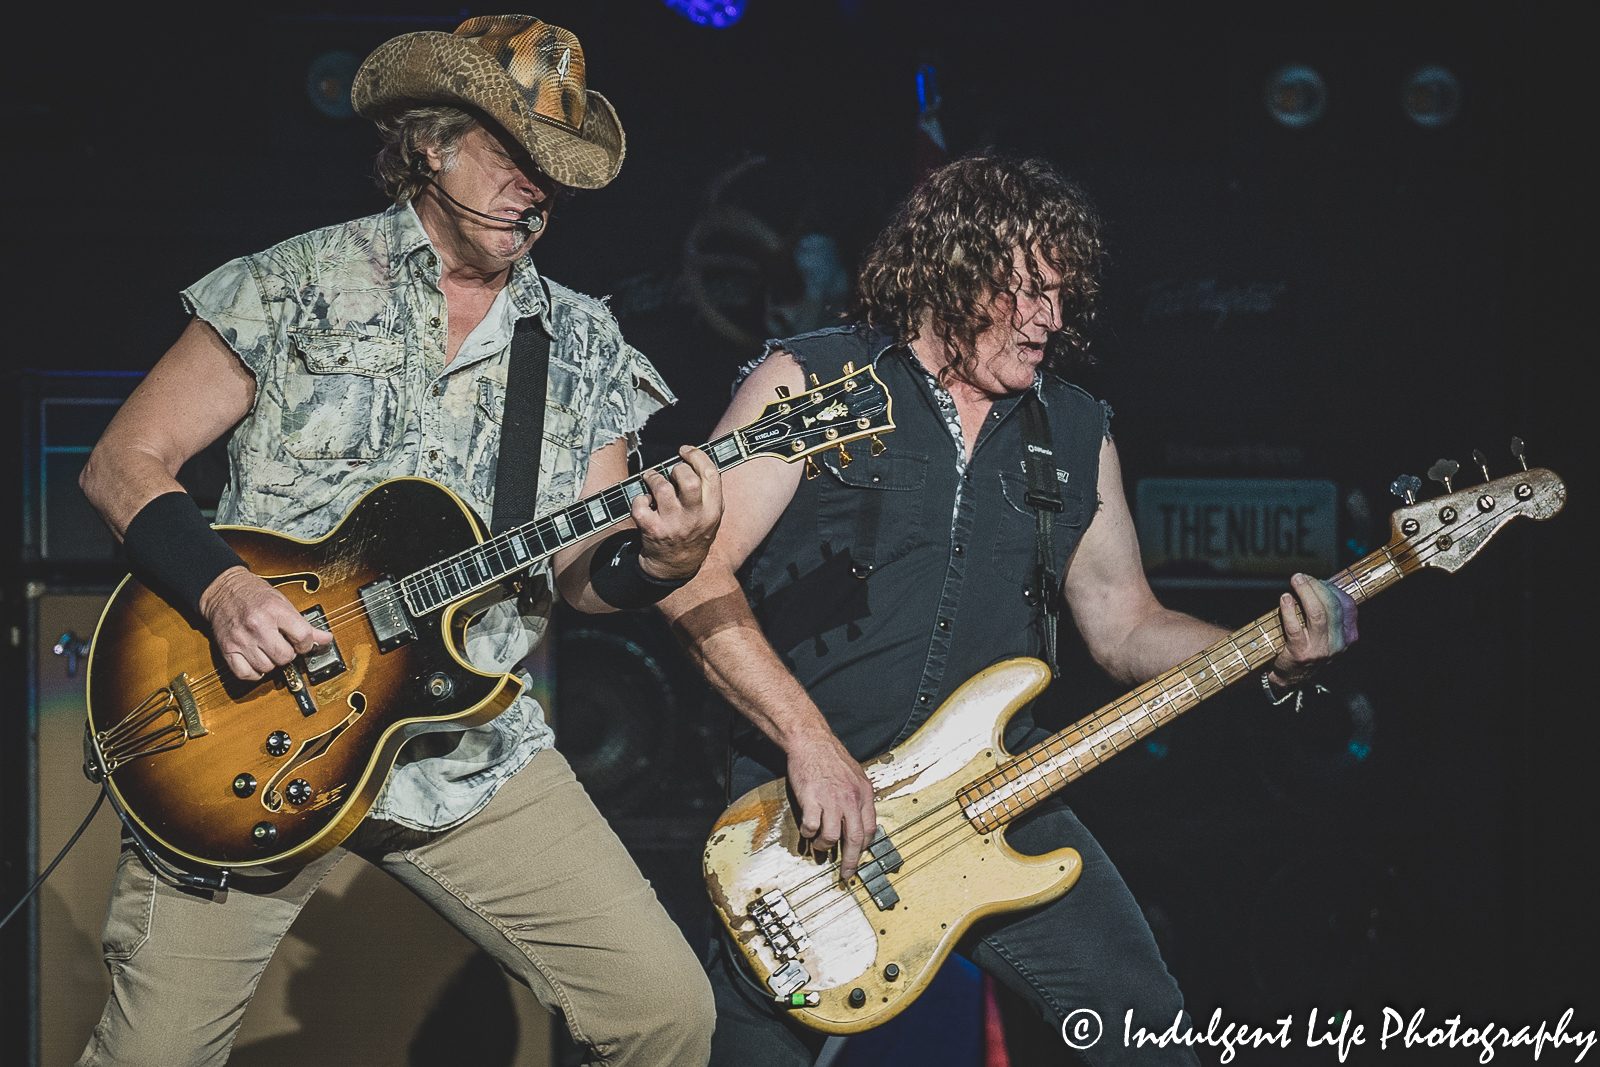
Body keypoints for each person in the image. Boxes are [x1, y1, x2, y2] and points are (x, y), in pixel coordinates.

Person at [76, 16, 717, 1066]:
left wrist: (662, 558)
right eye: (513, 157)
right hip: (254, 731)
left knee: (664, 1013)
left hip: (461, 743)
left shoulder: (587, 340)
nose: (534, 191)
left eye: (553, 171)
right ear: (430, 141)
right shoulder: (293, 283)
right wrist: (225, 591)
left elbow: (578, 575)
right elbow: (121, 465)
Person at [657, 155, 1359, 1065]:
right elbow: (690, 573)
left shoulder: (1074, 428)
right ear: (945, 267)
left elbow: (1123, 623)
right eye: (1027, 290)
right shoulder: (812, 380)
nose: (1051, 320)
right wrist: (808, 742)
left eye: (1062, 295)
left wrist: (1270, 649)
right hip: (806, 800)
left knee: (1139, 1024)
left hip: (996, 795)